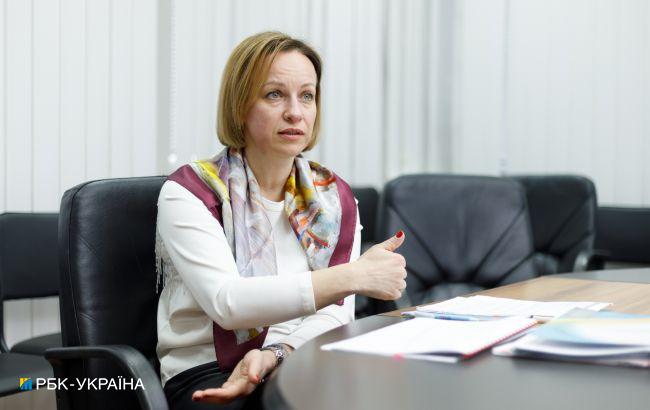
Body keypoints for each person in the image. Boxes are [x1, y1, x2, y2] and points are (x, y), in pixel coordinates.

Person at [155, 31, 407, 409]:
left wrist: (277, 353)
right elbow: (228, 304)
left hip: (299, 356)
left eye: (307, 95)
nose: (295, 112)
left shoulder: (334, 198)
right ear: (240, 105)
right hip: (208, 371)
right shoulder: (191, 192)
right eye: (274, 94)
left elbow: (334, 314)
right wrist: (354, 276)